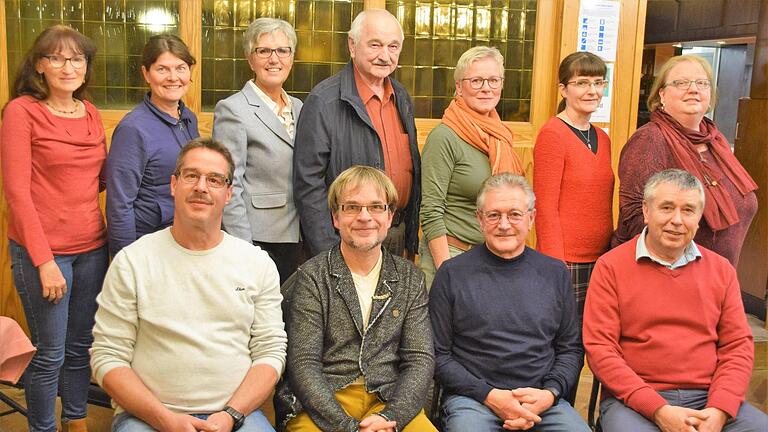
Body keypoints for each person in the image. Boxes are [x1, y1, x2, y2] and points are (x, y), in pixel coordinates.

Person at [91, 138, 287, 432]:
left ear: (229, 193)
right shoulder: (133, 261)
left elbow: (270, 353)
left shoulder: (256, 264)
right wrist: (165, 420)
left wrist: (230, 415)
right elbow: (107, 356)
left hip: (236, 417)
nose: (201, 187)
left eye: (215, 180)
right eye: (191, 176)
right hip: (148, 417)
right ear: (174, 184)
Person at [584, 169, 767, 432]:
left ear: (699, 216)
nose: (677, 220)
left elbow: (737, 347)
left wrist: (720, 409)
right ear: (646, 211)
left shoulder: (721, 269)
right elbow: (601, 350)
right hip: (636, 400)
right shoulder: (611, 267)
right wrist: (658, 410)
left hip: (708, 397)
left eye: (688, 210)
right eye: (666, 208)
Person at [0, 25, 109, 432]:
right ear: (40, 65)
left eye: (77, 58)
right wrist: (44, 261)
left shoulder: (92, 112)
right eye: (57, 58)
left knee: (81, 348)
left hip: (92, 249)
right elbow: (17, 194)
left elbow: (96, 179)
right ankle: (42, 428)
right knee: (51, 353)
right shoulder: (21, 111)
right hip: (44, 253)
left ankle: (76, 421)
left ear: (86, 67)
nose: (68, 66)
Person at [276, 166, 436, 432]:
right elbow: (303, 364)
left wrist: (390, 416)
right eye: (351, 207)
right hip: (323, 402)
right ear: (336, 218)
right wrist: (346, 427)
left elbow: (419, 359)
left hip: (388, 399)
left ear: (389, 216)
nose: (364, 217)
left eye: (376, 207)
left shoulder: (410, 278)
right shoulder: (312, 277)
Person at [429, 173, 588, 432]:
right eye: (493, 215)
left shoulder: (555, 273)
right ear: (479, 219)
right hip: (475, 400)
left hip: (542, 402)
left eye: (514, 214)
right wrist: (490, 395)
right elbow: (438, 355)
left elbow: (570, 349)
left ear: (531, 218)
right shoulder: (452, 274)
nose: (504, 224)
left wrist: (549, 393)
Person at [293, 9, 421, 259]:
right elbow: (308, 185)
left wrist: (409, 238)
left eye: (393, 46)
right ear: (352, 45)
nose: (385, 56)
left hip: (394, 237)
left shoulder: (402, 96)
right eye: (375, 45)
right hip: (346, 243)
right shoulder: (324, 101)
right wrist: (330, 254)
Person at [612, 54, 757, 266]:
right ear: (661, 94)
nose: (693, 89)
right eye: (681, 83)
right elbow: (636, 219)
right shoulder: (651, 139)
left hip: (718, 281)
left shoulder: (716, 141)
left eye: (702, 83)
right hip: (667, 278)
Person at [419, 46, 523, 289]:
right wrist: (448, 272)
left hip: (494, 258)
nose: (486, 87)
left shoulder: (500, 136)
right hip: (453, 257)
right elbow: (431, 211)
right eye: (476, 80)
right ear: (458, 87)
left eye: (493, 80)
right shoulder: (444, 137)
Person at [213, 18, 303, 284]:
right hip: (258, 238)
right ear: (250, 59)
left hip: (298, 237)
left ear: (291, 58)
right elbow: (229, 184)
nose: (273, 59)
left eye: (282, 51)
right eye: (263, 51)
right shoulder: (233, 110)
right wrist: (244, 247)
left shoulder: (299, 107)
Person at [533, 51, 614, 316]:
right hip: (566, 261)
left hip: (602, 258)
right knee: (565, 343)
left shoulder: (603, 138)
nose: (592, 90)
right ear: (563, 89)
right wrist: (553, 265)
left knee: (595, 336)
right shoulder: (553, 134)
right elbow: (544, 206)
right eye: (581, 83)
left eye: (598, 82)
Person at [105, 35, 199, 257]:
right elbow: (119, 204)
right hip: (147, 246)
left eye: (181, 68)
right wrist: (124, 261)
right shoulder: (133, 129)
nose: (173, 77)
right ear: (146, 73)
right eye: (162, 69)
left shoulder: (188, 119)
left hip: (183, 241)